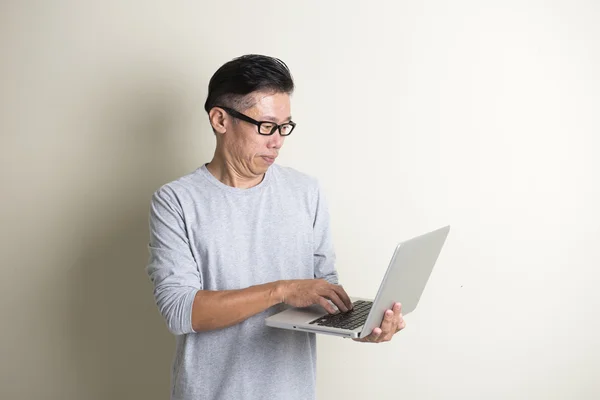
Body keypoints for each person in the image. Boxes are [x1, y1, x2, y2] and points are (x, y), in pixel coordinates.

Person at [146, 54, 406, 400]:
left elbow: (320, 288)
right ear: (220, 119)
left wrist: (363, 324)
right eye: (266, 126)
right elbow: (181, 311)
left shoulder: (305, 192)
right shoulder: (176, 201)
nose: (278, 140)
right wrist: (281, 290)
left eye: (285, 127)